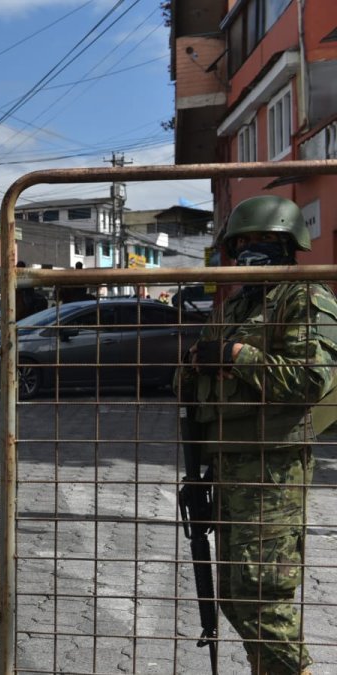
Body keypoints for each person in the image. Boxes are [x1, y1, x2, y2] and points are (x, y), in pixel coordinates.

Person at [178, 195, 337, 675]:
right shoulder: (236, 304)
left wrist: (237, 356)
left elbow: (311, 379)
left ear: (289, 244)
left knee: (262, 594)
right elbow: (196, 371)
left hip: (273, 468)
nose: (251, 249)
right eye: (243, 241)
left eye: (265, 239)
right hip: (227, 462)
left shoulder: (304, 296)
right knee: (234, 595)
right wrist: (200, 363)